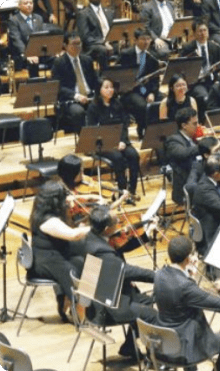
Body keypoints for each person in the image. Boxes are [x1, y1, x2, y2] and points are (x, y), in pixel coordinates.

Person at [79, 205, 157, 358]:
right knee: (152, 314)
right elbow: (127, 271)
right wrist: (158, 275)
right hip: (105, 308)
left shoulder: (92, 238)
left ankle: (129, 346)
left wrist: (146, 232)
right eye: (117, 221)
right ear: (107, 228)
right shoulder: (101, 250)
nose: (120, 223)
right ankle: (158, 359)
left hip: (98, 294)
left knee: (146, 300)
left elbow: (118, 254)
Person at [153, 236, 220, 371]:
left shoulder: (159, 274)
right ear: (189, 259)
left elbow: (181, 298)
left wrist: (190, 278)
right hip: (186, 348)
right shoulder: (186, 287)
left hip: (165, 343)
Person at [29, 181, 91, 322]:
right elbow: (72, 235)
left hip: (53, 253)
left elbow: (71, 200)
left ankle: (70, 300)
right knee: (71, 271)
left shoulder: (41, 209)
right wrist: (93, 228)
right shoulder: (48, 221)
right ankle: (80, 311)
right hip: (45, 261)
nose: (66, 200)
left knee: (82, 262)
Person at [85, 78, 142, 201]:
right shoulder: (93, 107)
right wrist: (111, 142)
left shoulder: (118, 103)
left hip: (121, 141)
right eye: (106, 87)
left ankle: (132, 190)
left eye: (111, 87)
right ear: (99, 90)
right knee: (118, 157)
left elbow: (124, 124)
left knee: (134, 155)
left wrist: (122, 140)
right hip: (103, 143)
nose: (110, 90)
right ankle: (122, 192)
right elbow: (93, 129)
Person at [52, 32, 101, 132]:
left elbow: (96, 80)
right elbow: (58, 87)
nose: (77, 47)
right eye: (74, 44)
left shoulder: (87, 60)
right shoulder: (59, 63)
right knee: (78, 112)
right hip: (70, 100)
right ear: (65, 46)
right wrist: (76, 96)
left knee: (107, 105)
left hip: (89, 96)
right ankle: (84, 140)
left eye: (79, 43)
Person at [119, 28, 162, 138]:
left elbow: (155, 79)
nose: (146, 42)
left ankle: (158, 130)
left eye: (148, 39)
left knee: (164, 100)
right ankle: (142, 130)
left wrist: (152, 92)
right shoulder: (126, 54)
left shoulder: (152, 56)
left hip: (145, 88)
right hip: (131, 90)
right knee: (141, 105)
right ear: (135, 40)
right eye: (143, 39)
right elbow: (118, 74)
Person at [192, 156, 220, 254]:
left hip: (214, 218)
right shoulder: (205, 190)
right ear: (216, 174)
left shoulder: (207, 177)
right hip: (212, 230)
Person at [180, 19, 220, 108]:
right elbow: (182, 69)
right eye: (200, 31)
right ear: (194, 33)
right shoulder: (188, 49)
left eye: (205, 30)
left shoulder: (214, 46)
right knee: (205, 98)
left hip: (213, 80)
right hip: (197, 83)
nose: (203, 33)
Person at [165, 107, 201, 205]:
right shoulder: (173, 140)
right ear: (184, 125)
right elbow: (183, 153)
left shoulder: (193, 138)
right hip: (187, 186)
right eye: (194, 124)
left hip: (200, 181)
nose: (198, 126)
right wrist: (204, 145)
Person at [8, 0, 48, 78]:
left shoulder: (39, 18)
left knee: (58, 60)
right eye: (26, 3)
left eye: (31, 3)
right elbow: (17, 40)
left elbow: (43, 37)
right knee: (33, 62)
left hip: (38, 52)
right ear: (19, 6)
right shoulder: (14, 20)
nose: (29, 5)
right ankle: (35, 87)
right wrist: (28, 54)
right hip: (22, 54)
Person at [75, 0, 115, 68]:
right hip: (93, 46)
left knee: (125, 49)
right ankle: (104, 75)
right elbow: (85, 37)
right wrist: (104, 43)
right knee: (102, 50)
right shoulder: (83, 14)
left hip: (110, 41)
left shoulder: (109, 11)